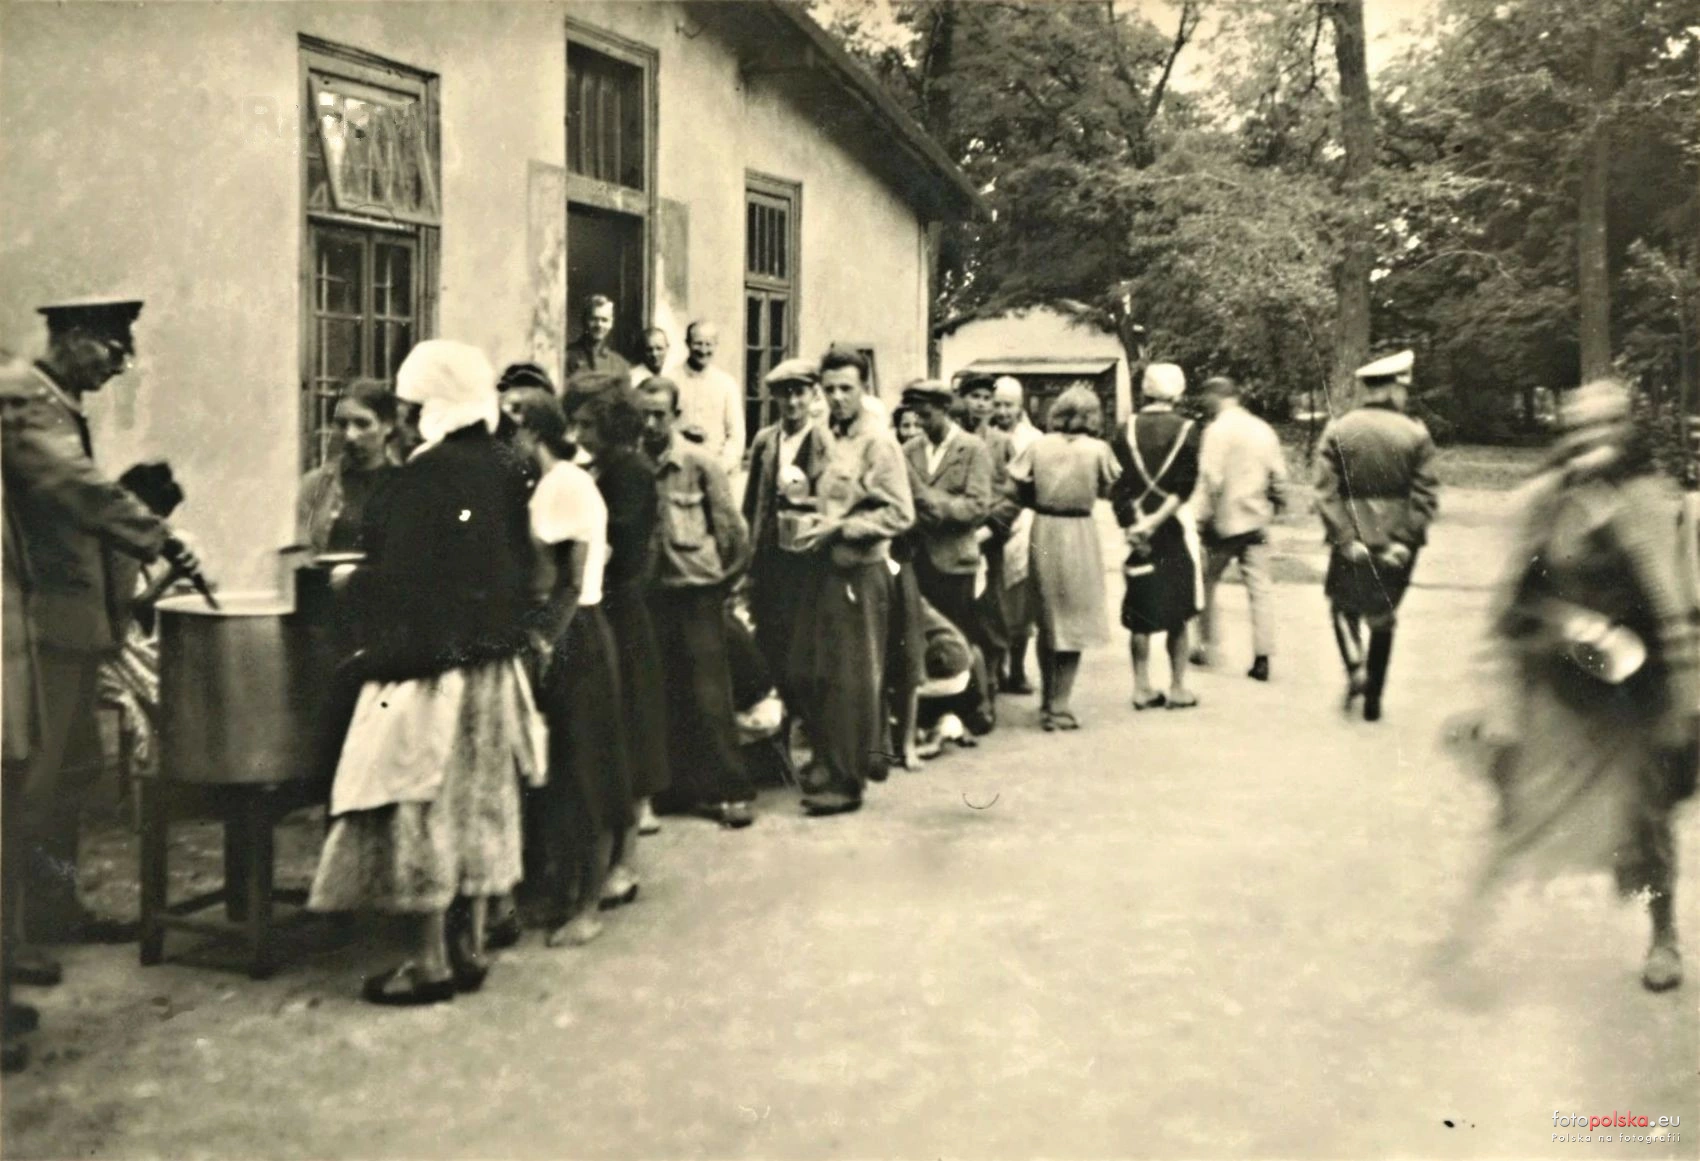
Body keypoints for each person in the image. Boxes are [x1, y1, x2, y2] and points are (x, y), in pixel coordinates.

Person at [1441, 380, 1698, 992]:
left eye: (1604, 426)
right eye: (1580, 428)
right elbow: (1517, 597)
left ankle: (1663, 935)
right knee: (1520, 797)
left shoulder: (1646, 501)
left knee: (1645, 820)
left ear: (1625, 432)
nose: (1591, 439)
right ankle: (1467, 937)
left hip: (1637, 691)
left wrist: (1686, 699)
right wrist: (1499, 683)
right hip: (1562, 683)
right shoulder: (1550, 503)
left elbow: (1672, 603)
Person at [307, 340, 543, 1005]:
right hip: (493, 666)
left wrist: (354, 582)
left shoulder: (425, 476)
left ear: (433, 407)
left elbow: (412, 581)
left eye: (410, 410)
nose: (405, 424)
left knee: (422, 807)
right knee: (480, 805)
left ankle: (429, 960)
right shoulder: (507, 464)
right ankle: (472, 946)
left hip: (432, 671)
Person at [0, 299, 193, 950]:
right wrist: (159, 537)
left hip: (75, 629)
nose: (121, 364)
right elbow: (80, 490)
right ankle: (14, 938)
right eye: (113, 348)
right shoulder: (27, 403)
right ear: (75, 337)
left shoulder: (58, 406)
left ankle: (54, 911)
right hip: (40, 631)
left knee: (72, 777)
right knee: (33, 786)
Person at [502, 387, 630, 948]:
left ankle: (588, 907)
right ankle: (562, 892)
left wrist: (543, 642)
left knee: (587, 770)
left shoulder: (567, 485)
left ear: (532, 431)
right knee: (556, 773)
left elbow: (572, 582)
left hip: (575, 633)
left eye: (512, 428)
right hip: (560, 632)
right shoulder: (549, 484)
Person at [788, 348, 915, 816]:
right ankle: (828, 761)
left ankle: (847, 781)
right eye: (830, 389)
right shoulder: (824, 434)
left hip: (862, 572)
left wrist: (842, 528)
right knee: (814, 670)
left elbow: (900, 513)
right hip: (824, 567)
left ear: (864, 389)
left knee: (853, 679)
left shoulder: (879, 443)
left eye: (847, 388)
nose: (838, 397)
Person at [639, 377, 757, 828]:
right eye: (644, 415)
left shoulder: (699, 463)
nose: (651, 424)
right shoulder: (633, 464)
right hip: (653, 594)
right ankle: (677, 790)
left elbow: (734, 535)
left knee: (710, 695)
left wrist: (721, 586)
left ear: (675, 416)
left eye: (659, 415)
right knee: (663, 691)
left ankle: (730, 791)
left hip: (698, 594)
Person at [1314, 349, 1440, 721]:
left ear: (1367, 389)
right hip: (1397, 542)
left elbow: (1325, 492)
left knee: (1341, 605)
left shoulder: (1339, 430)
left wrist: (1344, 538)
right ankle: (1374, 700)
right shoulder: (1416, 433)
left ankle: (1356, 667)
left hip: (1353, 538)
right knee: (1383, 615)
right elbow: (1425, 495)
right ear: (1393, 389)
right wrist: (1405, 540)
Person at [574, 388, 670, 841]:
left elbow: (623, 535)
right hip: (607, 595)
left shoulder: (631, 472)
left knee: (633, 699)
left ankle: (642, 801)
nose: (579, 434)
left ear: (611, 429)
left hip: (623, 599)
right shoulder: (601, 469)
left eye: (587, 426)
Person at [1009, 386, 1121, 730]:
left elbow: (1016, 488)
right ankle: (1060, 704)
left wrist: (1042, 495)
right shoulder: (1098, 449)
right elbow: (1110, 488)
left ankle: (1047, 699)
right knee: (1075, 616)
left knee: (1048, 616)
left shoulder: (1038, 446)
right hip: (1080, 531)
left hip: (1044, 530)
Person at [1111, 363, 1203, 711]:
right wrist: (1155, 521)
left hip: (1138, 531)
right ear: (1177, 392)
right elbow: (1184, 488)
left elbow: (1117, 487)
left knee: (1140, 610)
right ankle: (1178, 686)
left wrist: (1134, 525)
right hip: (1173, 527)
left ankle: (1141, 686)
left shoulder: (1125, 430)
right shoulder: (1189, 430)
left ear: (1145, 391)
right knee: (1178, 611)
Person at [742, 358, 830, 705]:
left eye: (800, 393)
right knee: (769, 631)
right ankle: (774, 708)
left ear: (813, 395)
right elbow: (751, 502)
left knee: (805, 638)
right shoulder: (766, 441)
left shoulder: (825, 442)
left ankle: (803, 711)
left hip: (809, 556)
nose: (792, 402)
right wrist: (748, 554)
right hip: (770, 555)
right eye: (785, 394)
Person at [1190, 376, 1288, 682]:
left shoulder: (1216, 431)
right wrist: (1276, 504)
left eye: (1206, 396)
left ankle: (1206, 645)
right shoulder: (1262, 429)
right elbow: (1279, 476)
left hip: (1223, 523)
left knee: (1205, 581)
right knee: (1260, 590)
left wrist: (1199, 519)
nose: (1203, 402)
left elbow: (1212, 479)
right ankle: (1262, 657)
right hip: (1255, 521)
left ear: (1215, 396)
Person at [902, 381, 994, 650]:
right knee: (918, 638)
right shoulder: (909, 449)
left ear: (945, 409)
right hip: (916, 557)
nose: (920, 423)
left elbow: (978, 505)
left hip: (954, 561)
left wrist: (938, 509)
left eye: (926, 415)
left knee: (957, 640)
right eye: (916, 415)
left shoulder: (973, 448)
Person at [297, 379, 401, 554]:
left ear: (388, 425)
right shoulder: (315, 486)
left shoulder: (408, 484)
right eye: (342, 424)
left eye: (362, 424)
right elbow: (300, 551)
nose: (350, 435)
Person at [988, 376, 1041, 693]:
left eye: (1008, 405)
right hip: (992, 526)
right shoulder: (983, 435)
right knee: (992, 601)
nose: (1002, 411)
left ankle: (1018, 670)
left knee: (1022, 602)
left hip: (1023, 527)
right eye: (997, 404)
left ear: (1020, 406)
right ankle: (994, 670)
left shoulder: (1034, 440)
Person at [673, 321, 745, 477]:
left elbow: (736, 435)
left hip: (717, 470)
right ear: (687, 343)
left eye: (709, 344)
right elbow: (662, 427)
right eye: (698, 343)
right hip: (679, 470)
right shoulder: (671, 379)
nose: (703, 350)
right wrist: (681, 434)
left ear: (716, 345)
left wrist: (719, 467)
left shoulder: (727, 383)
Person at [564, 295, 631, 397]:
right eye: (593, 319)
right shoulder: (566, 357)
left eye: (604, 320)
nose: (599, 325)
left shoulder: (620, 365)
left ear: (611, 323)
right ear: (584, 320)